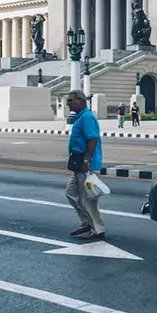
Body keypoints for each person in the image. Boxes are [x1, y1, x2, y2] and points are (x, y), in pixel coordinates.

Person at [64, 89, 106, 241]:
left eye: (70, 101)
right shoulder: (80, 117)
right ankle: (87, 223)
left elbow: (92, 139)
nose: (68, 104)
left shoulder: (87, 117)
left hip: (86, 164)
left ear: (80, 101)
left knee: (88, 199)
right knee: (71, 193)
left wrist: (86, 160)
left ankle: (97, 229)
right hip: (78, 164)